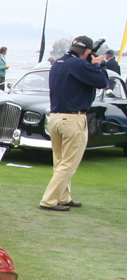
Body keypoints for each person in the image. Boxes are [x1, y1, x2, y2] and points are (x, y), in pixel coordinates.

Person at [39, 36, 109, 211]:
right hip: (72, 118)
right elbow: (102, 82)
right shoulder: (79, 65)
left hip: (55, 117)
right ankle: (49, 200)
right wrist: (98, 65)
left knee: (60, 161)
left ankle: (64, 196)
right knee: (69, 163)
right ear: (86, 52)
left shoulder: (58, 63)